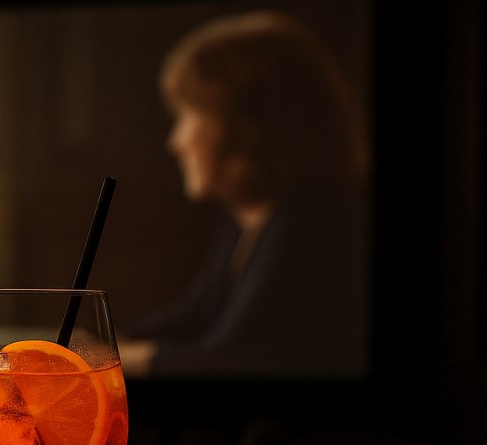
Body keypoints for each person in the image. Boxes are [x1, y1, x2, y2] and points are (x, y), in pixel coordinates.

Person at [120, 11, 369, 378]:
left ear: (248, 125)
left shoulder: (308, 227)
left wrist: (109, 360)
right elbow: (194, 315)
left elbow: (234, 361)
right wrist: (95, 341)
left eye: (189, 114)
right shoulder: (251, 219)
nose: (176, 142)